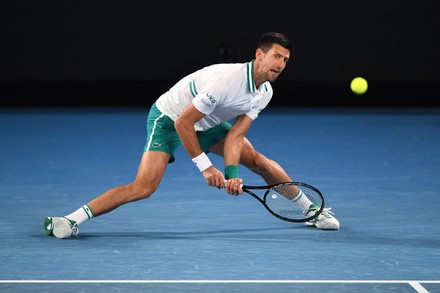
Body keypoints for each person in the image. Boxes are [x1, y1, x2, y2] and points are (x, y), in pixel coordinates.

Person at [44, 32, 339, 238]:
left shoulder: (264, 92)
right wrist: (206, 167)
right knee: (144, 187)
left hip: (207, 122)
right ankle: (71, 220)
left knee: (258, 162)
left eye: (286, 60)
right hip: (170, 119)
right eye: (276, 56)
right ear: (259, 55)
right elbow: (184, 124)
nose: (280, 64)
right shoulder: (227, 83)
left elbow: (236, 136)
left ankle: (310, 210)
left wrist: (232, 172)